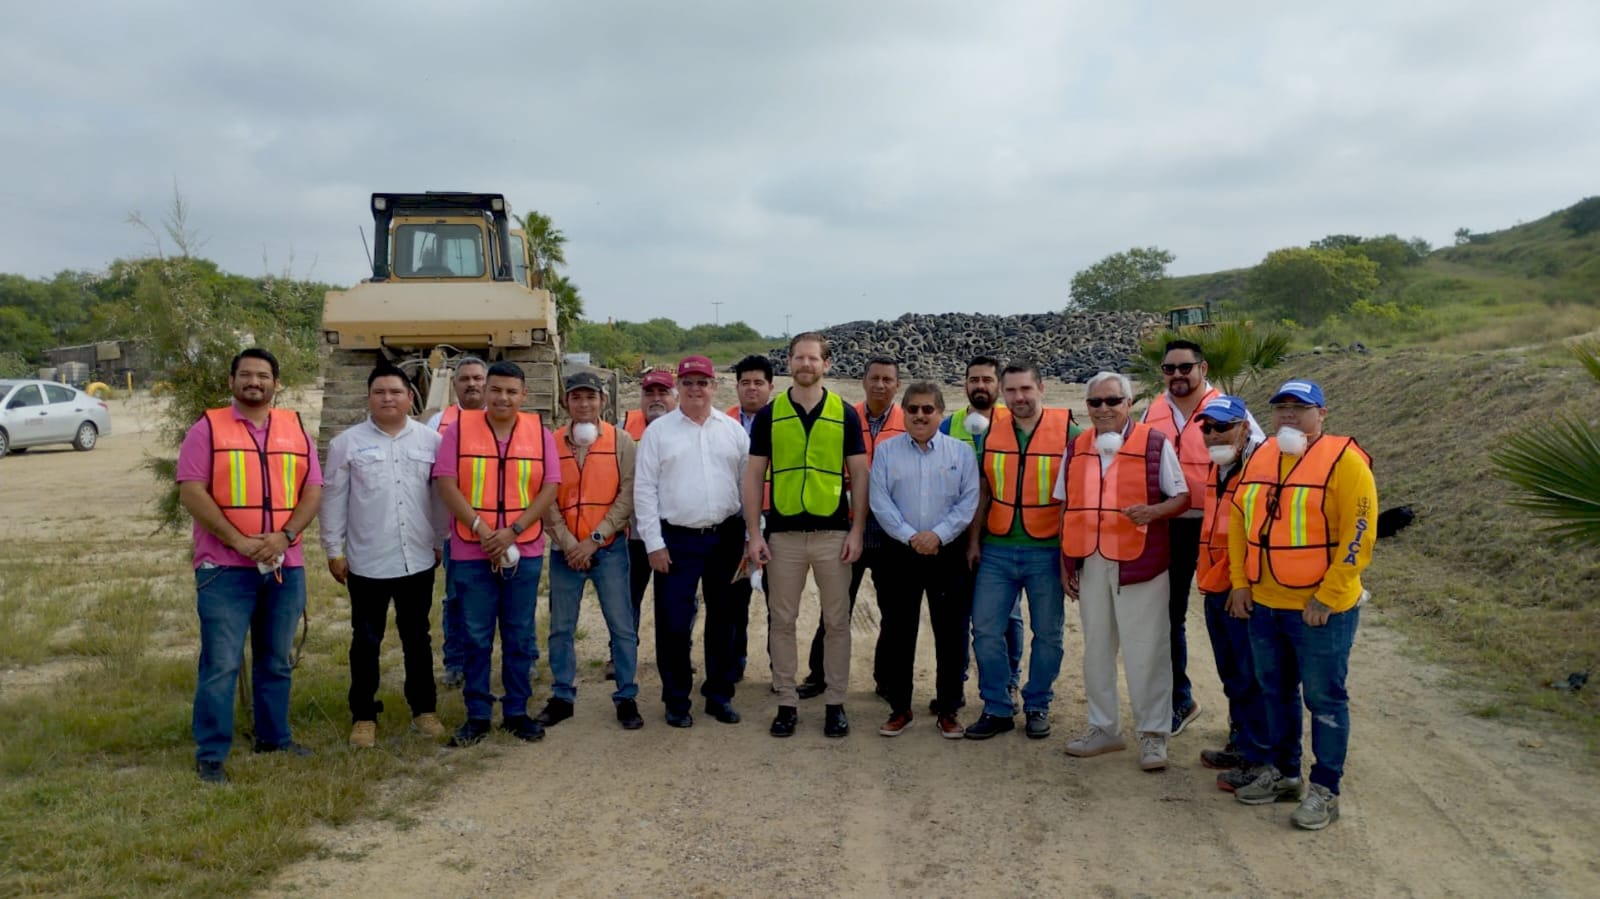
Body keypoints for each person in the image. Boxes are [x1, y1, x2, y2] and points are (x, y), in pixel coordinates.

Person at [1228, 379, 1376, 831]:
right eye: (1280, 408)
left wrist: (1328, 596)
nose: (1288, 415)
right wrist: (1240, 583)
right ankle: (1285, 773)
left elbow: (1360, 532)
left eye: (1300, 407)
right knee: (1275, 692)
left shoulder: (1346, 462)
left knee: (1324, 698)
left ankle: (1325, 790)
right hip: (1265, 604)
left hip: (1320, 610)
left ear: (1322, 414)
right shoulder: (1261, 456)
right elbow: (1239, 519)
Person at [177, 348, 323, 784]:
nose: (254, 382)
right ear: (231, 382)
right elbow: (192, 492)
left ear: (277, 384)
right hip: (223, 568)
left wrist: (286, 536)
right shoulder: (207, 429)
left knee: (276, 660)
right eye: (245, 375)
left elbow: (313, 490)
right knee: (221, 663)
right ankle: (211, 754)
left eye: (263, 376)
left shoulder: (295, 428)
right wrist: (239, 541)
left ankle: (274, 738)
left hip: (284, 564)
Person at [1058, 372, 1190, 771]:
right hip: (1092, 561)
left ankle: (1153, 735)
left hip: (1140, 562)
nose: (1103, 410)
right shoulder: (1077, 446)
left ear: (1128, 402)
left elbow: (1182, 496)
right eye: (1095, 403)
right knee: (1096, 648)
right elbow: (1065, 506)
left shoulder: (1154, 442)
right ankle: (1104, 729)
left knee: (1146, 649)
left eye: (1112, 401)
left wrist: (1152, 512)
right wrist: (1065, 561)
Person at [746, 332, 868, 738]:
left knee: (837, 622)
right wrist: (754, 534)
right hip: (783, 537)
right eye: (798, 358)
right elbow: (753, 476)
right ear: (789, 363)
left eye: (813, 359)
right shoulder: (769, 415)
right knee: (781, 621)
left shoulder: (845, 414)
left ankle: (835, 702)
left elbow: (860, 475)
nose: (805, 365)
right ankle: (786, 702)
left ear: (826, 364)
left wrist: (857, 530)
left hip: (833, 534)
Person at [1140, 339, 1264, 735]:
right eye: (1169, 368)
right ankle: (1181, 700)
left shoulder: (1230, 411)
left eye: (1185, 367)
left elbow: (1259, 464)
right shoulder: (1152, 411)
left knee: (1231, 622)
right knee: (1167, 618)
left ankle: (1243, 722)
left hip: (1219, 531)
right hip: (1169, 525)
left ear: (1203, 368)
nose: (1177, 375)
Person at [433, 361, 560, 746]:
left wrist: (513, 532)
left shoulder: (540, 434)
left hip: (525, 548)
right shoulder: (459, 430)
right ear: (485, 392)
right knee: (475, 634)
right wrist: (483, 530)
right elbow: (446, 482)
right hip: (473, 548)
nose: (503, 397)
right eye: (496, 390)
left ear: (524, 396)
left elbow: (550, 487)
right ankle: (477, 715)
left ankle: (517, 711)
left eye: (511, 391)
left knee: (520, 634)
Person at [322, 363, 446, 748]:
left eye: (396, 391)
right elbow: (333, 499)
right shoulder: (347, 444)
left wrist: (439, 541)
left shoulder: (431, 442)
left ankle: (424, 711)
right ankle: (363, 716)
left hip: (417, 559)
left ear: (411, 397)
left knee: (417, 637)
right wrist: (333, 549)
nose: (388, 398)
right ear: (369, 398)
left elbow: (440, 496)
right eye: (380, 392)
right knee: (366, 640)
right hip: (366, 561)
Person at [634, 355, 750, 728]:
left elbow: (747, 487)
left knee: (725, 621)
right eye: (688, 383)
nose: (696, 389)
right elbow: (644, 490)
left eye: (703, 382)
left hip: (725, 537)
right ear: (677, 388)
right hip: (676, 540)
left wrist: (751, 537)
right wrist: (653, 543)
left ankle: (718, 694)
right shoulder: (659, 433)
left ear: (715, 386)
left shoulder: (732, 430)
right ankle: (676, 699)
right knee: (673, 623)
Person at [965, 360, 1072, 740]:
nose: (1018, 397)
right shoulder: (989, 431)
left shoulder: (1069, 432)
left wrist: (1068, 556)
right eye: (1010, 391)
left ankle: (1038, 703)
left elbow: (1075, 497)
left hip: (1046, 551)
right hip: (996, 550)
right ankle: (996, 706)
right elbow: (984, 489)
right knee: (987, 631)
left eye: (1025, 389)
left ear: (1041, 387)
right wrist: (974, 541)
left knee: (1048, 634)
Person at [869, 382, 979, 738]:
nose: (920, 415)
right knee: (900, 631)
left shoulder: (960, 453)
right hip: (900, 553)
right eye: (913, 409)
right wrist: (910, 536)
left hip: (946, 554)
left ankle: (948, 709)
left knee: (951, 634)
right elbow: (880, 501)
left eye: (928, 409)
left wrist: (938, 536)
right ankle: (900, 708)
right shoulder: (886, 452)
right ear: (904, 412)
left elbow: (968, 502)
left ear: (940, 414)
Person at [538, 371, 644, 731]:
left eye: (590, 397)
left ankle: (626, 695)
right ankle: (562, 696)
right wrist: (569, 543)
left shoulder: (621, 441)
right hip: (565, 552)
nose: (584, 404)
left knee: (622, 626)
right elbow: (545, 498)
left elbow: (627, 495)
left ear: (603, 400)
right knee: (561, 629)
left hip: (609, 550)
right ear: (565, 402)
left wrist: (595, 539)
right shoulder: (550, 443)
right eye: (576, 397)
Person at [797, 355, 901, 699]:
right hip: (846, 526)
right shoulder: (842, 416)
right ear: (863, 381)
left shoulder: (908, 420)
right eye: (874, 378)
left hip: (889, 532)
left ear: (897, 385)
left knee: (893, 612)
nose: (880, 385)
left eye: (888, 379)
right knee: (835, 606)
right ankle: (819, 674)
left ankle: (887, 678)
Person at [1191, 395, 1271, 790]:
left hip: (1243, 589)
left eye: (1220, 427)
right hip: (1215, 584)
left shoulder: (1261, 467)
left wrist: (1246, 585)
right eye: (1206, 428)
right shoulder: (1220, 466)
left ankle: (1260, 758)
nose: (1211, 434)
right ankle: (1242, 743)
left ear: (1243, 427)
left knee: (1251, 675)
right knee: (1232, 675)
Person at [939, 354, 1025, 710]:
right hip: (957, 534)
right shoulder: (949, 425)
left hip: (1002, 534)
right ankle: (955, 683)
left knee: (1007, 616)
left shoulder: (1014, 423)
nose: (980, 386)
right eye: (974, 380)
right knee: (957, 614)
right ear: (965, 385)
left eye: (988, 380)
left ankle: (1009, 682)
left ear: (1000, 387)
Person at [426, 356, 488, 690]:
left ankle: (521, 659)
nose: (472, 384)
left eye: (478, 378)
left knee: (510, 602)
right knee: (456, 598)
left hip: (501, 528)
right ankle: (455, 662)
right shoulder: (439, 422)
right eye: (465, 379)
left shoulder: (506, 420)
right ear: (454, 384)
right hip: (456, 530)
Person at [621, 368, 678, 676]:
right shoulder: (622, 428)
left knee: (676, 604)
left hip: (674, 534)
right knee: (626, 600)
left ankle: (676, 655)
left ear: (675, 396)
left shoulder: (687, 427)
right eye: (649, 393)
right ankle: (621, 656)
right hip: (632, 534)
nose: (656, 399)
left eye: (663, 392)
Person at [726, 354, 775, 683]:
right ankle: (733, 664)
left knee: (779, 601)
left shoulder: (784, 420)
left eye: (759, 383)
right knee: (733, 599)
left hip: (777, 518)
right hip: (734, 520)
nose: (752, 389)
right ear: (737, 386)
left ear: (771, 386)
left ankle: (778, 670)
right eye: (746, 383)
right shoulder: (722, 422)